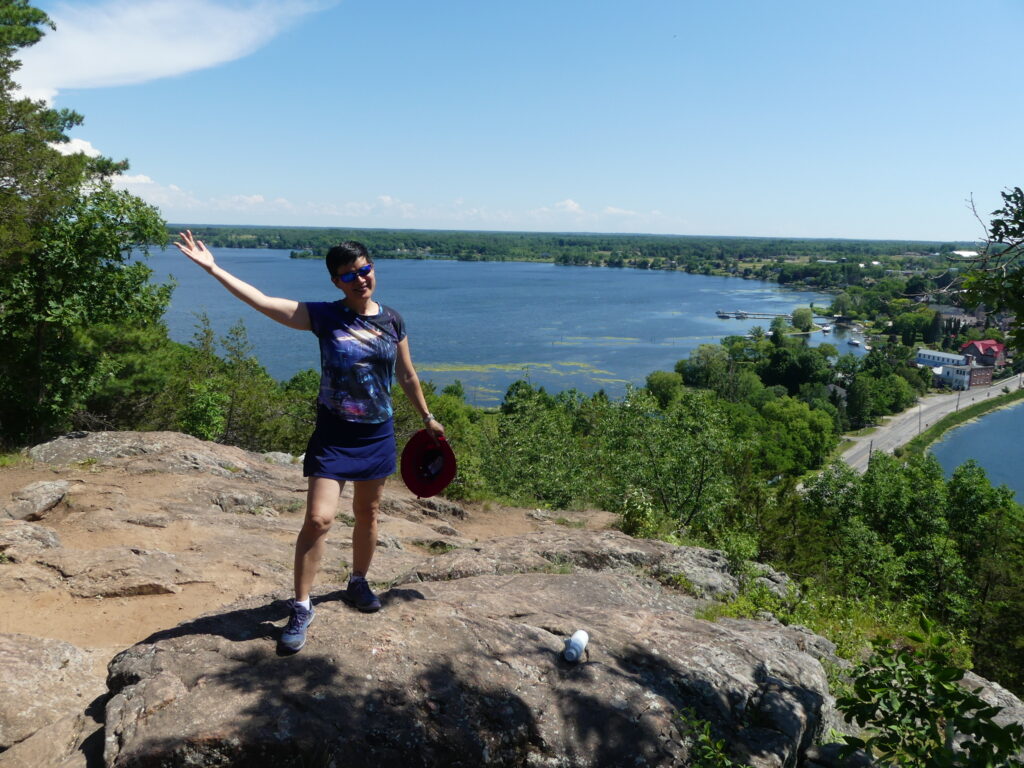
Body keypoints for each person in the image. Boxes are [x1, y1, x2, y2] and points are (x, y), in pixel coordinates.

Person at [174, 232, 444, 652]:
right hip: (334, 435)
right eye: (348, 275)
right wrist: (213, 269)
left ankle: (358, 582)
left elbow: (406, 375)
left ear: (373, 268)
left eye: (364, 270)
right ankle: (301, 606)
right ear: (336, 281)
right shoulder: (324, 316)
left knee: (369, 513)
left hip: (376, 433)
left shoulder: (392, 320)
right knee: (318, 519)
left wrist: (427, 417)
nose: (360, 279)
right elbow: (263, 302)